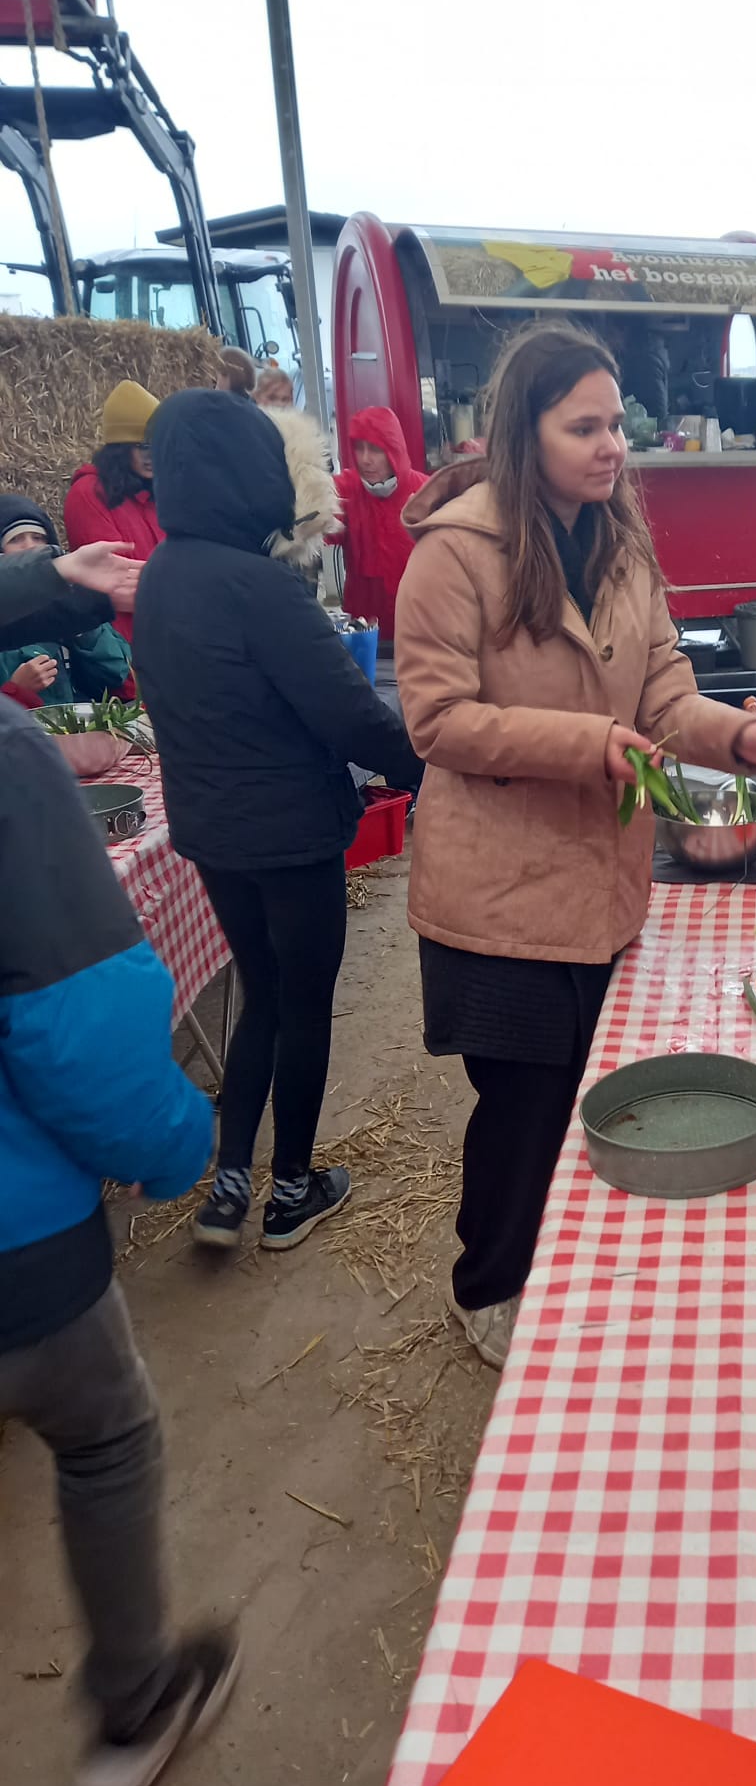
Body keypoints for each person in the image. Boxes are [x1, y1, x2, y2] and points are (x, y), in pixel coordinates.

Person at [396, 321, 756, 1366]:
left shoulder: (623, 542)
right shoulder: (456, 554)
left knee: (584, 1093)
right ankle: (488, 1284)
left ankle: (559, 1269)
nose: (611, 446)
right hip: (498, 895)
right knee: (522, 1104)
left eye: (615, 423)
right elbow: (436, 722)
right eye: (581, 426)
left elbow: (665, 688)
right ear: (521, 433)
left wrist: (740, 735)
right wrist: (590, 744)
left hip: (600, 879)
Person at [0, 691, 236, 1786]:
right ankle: (135, 1706)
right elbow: (77, 1021)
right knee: (104, 1436)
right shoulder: (8, 757)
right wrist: (176, 1141)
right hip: (16, 1251)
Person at [132, 391, 425, 1253]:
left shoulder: (162, 574)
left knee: (259, 995)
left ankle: (228, 1187)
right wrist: (431, 766)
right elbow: (350, 715)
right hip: (290, 833)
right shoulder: (259, 584)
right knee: (304, 1006)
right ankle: (291, 1191)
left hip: (211, 832)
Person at [0, 499, 132, 708]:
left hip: (79, 731)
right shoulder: (6, 619)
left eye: (38, 537)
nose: (30, 546)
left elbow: (114, 677)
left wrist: (82, 632)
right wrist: (17, 689)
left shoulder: (75, 603)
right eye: (16, 539)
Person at [63, 382, 163, 640]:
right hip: (128, 650)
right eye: (142, 446)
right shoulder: (88, 494)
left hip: (171, 641)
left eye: (158, 444)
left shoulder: (158, 493)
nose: (152, 455)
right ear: (120, 448)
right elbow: (117, 586)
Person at [333, 405, 428, 638]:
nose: (365, 459)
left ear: (393, 450)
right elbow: (314, 527)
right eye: (359, 448)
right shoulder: (345, 490)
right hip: (365, 634)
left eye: (375, 449)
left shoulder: (426, 492)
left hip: (418, 629)